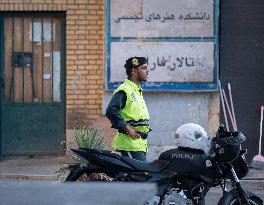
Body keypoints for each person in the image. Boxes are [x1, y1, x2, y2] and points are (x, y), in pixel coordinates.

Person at [106, 57, 151, 161]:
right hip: (129, 144)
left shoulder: (136, 90)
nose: (147, 71)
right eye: (144, 68)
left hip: (139, 144)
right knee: (135, 176)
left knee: (138, 176)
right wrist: (127, 128)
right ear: (134, 71)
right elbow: (111, 110)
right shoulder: (125, 89)